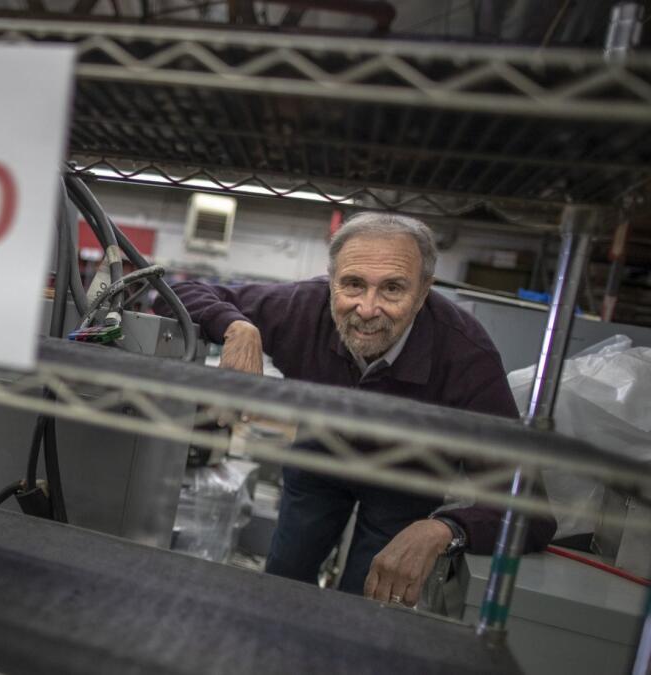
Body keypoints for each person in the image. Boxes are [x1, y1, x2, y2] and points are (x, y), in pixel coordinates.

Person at [157, 211, 554, 605]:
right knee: (283, 579)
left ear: (424, 292)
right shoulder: (302, 308)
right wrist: (236, 326)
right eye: (353, 284)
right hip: (322, 456)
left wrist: (443, 529)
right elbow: (174, 294)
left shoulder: (466, 356)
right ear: (331, 282)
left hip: (408, 478)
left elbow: (530, 513)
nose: (367, 308)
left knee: (370, 600)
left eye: (393, 289)